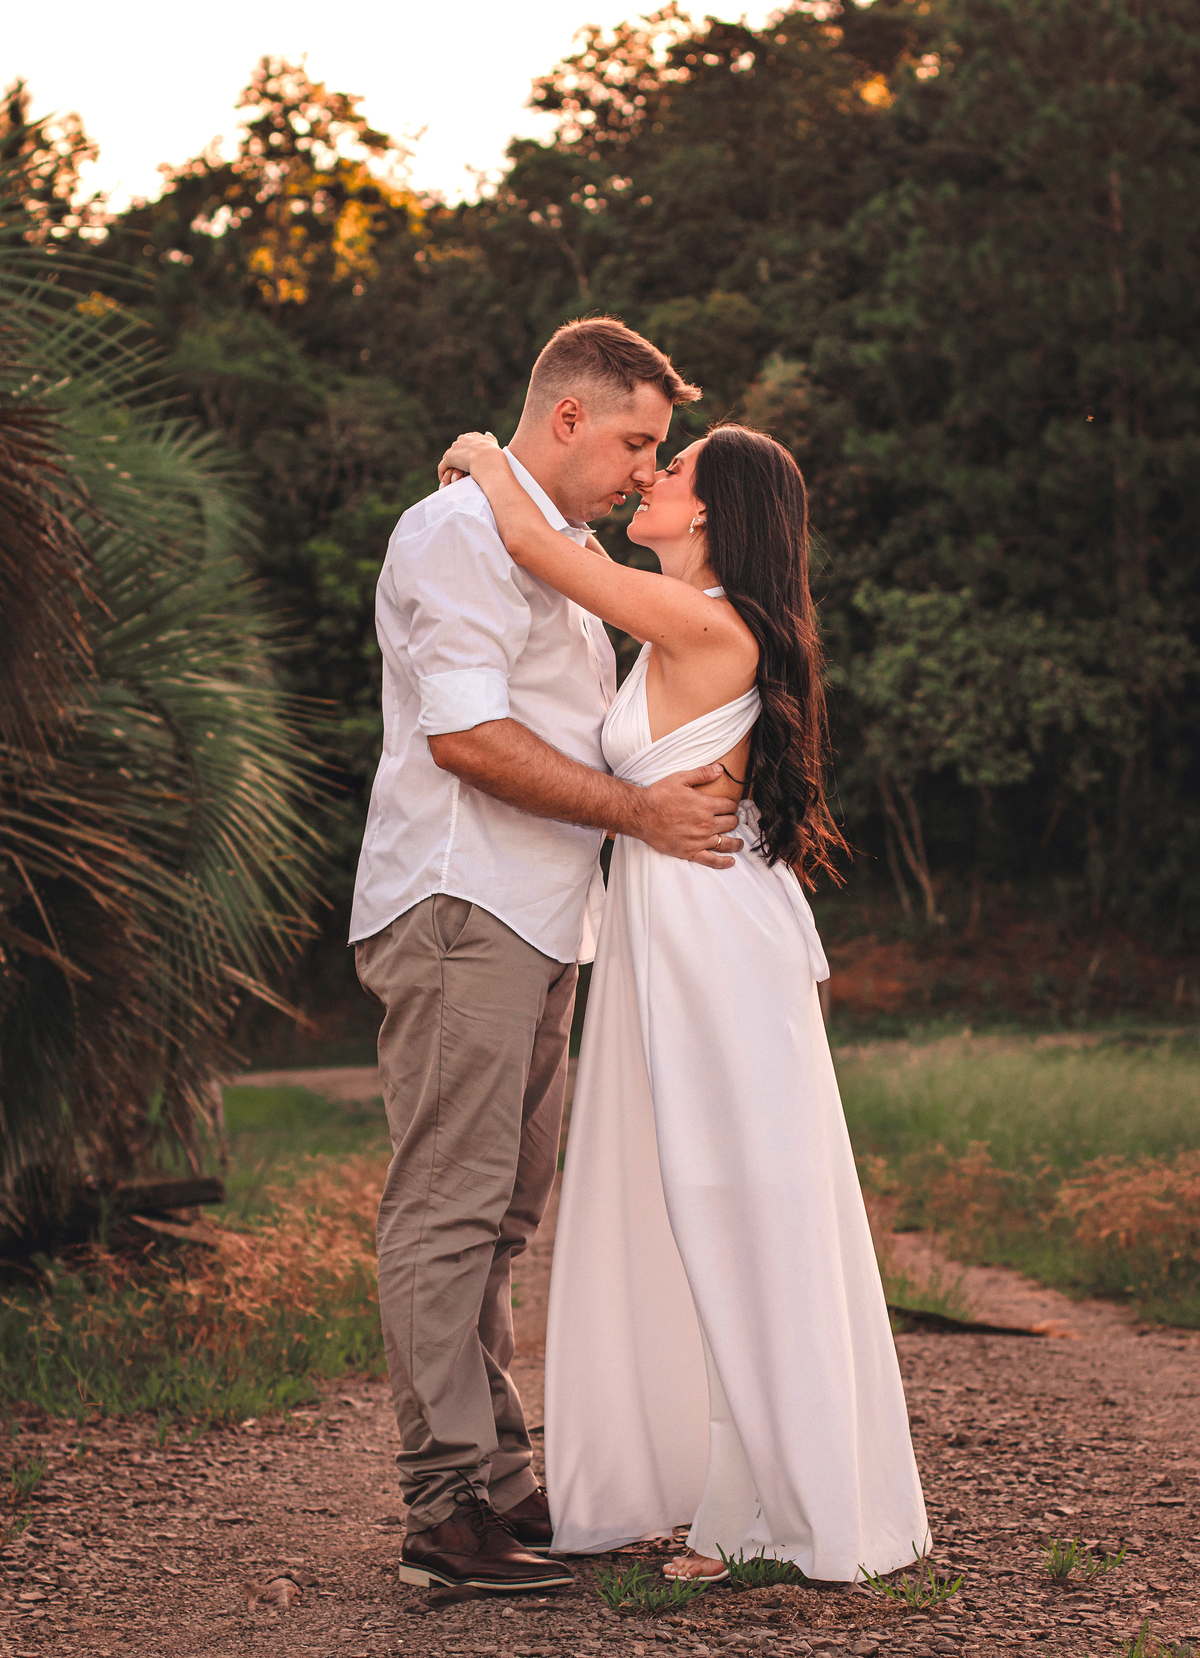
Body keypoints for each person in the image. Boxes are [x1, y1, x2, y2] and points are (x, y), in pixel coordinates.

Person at [436, 422, 929, 1583]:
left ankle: (785, 1498)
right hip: (669, 932)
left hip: (716, 942)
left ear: (708, 513)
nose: (653, 479)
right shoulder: (673, 630)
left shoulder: (709, 624)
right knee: (683, 1198)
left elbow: (550, 556)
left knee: (736, 1199)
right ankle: (732, 1491)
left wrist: (479, 448)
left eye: (674, 467)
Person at [349, 318, 749, 1594]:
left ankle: (503, 1478)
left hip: (538, 918)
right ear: (568, 417)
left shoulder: (556, 549)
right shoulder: (457, 531)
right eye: (638, 440)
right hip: (461, 903)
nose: (648, 468)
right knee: (448, 1205)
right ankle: (442, 1510)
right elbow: (466, 738)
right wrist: (641, 815)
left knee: (503, 1215)